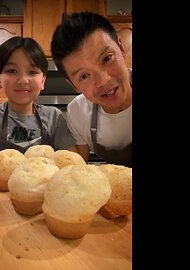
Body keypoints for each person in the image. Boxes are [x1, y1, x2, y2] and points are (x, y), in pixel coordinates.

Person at [0, 36, 76, 169]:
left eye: (32, 72)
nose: (23, 80)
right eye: (12, 71)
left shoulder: (53, 117)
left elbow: (70, 165)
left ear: (42, 81)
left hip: (41, 188)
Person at [50, 11, 132, 167]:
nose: (103, 81)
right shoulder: (77, 112)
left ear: (121, 48)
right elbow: (78, 170)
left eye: (107, 58)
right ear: (73, 85)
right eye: (84, 76)